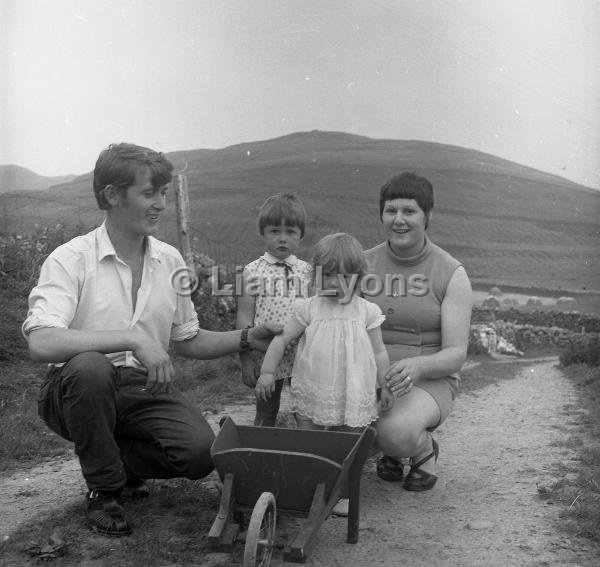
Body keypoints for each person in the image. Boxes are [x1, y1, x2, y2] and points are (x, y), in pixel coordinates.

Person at [21, 143, 281, 537]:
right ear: (112, 195)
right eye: (149, 193)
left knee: (198, 454)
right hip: (74, 390)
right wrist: (130, 338)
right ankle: (105, 490)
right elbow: (41, 342)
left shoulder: (170, 260)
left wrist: (246, 337)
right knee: (91, 366)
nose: (160, 203)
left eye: (163, 193)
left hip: (141, 388)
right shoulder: (69, 259)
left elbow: (188, 338)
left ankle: (116, 462)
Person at [256, 232, 394, 516]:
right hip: (313, 387)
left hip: (353, 389)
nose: (334, 283)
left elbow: (379, 351)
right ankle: (309, 486)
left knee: (347, 442)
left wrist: (385, 385)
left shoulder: (367, 311)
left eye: (344, 276)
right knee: (310, 442)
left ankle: (340, 492)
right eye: (328, 275)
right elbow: (281, 340)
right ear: (315, 275)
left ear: (359, 277)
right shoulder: (308, 308)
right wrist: (267, 373)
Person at [363, 172, 472, 491]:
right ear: (381, 214)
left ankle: (421, 450)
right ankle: (393, 450)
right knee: (337, 429)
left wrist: (418, 366)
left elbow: (456, 354)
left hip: (428, 379)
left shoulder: (451, 273)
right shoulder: (361, 264)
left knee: (392, 434)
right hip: (369, 377)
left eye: (409, 211)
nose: (398, 220)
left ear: (428, 216)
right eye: (390, 210)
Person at [235, 193, 312, 426]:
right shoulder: (250, 272)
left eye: (290, 232)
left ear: (301, 236)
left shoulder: (308, 272)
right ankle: (260, 453)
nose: (282, 238)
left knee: (305, 412)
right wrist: (245, 360)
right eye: (274, 231)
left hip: (301, 355)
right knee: (266, 410)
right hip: (266, 354)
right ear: (262, 232)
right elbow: (244, 316)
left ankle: (303, 454)